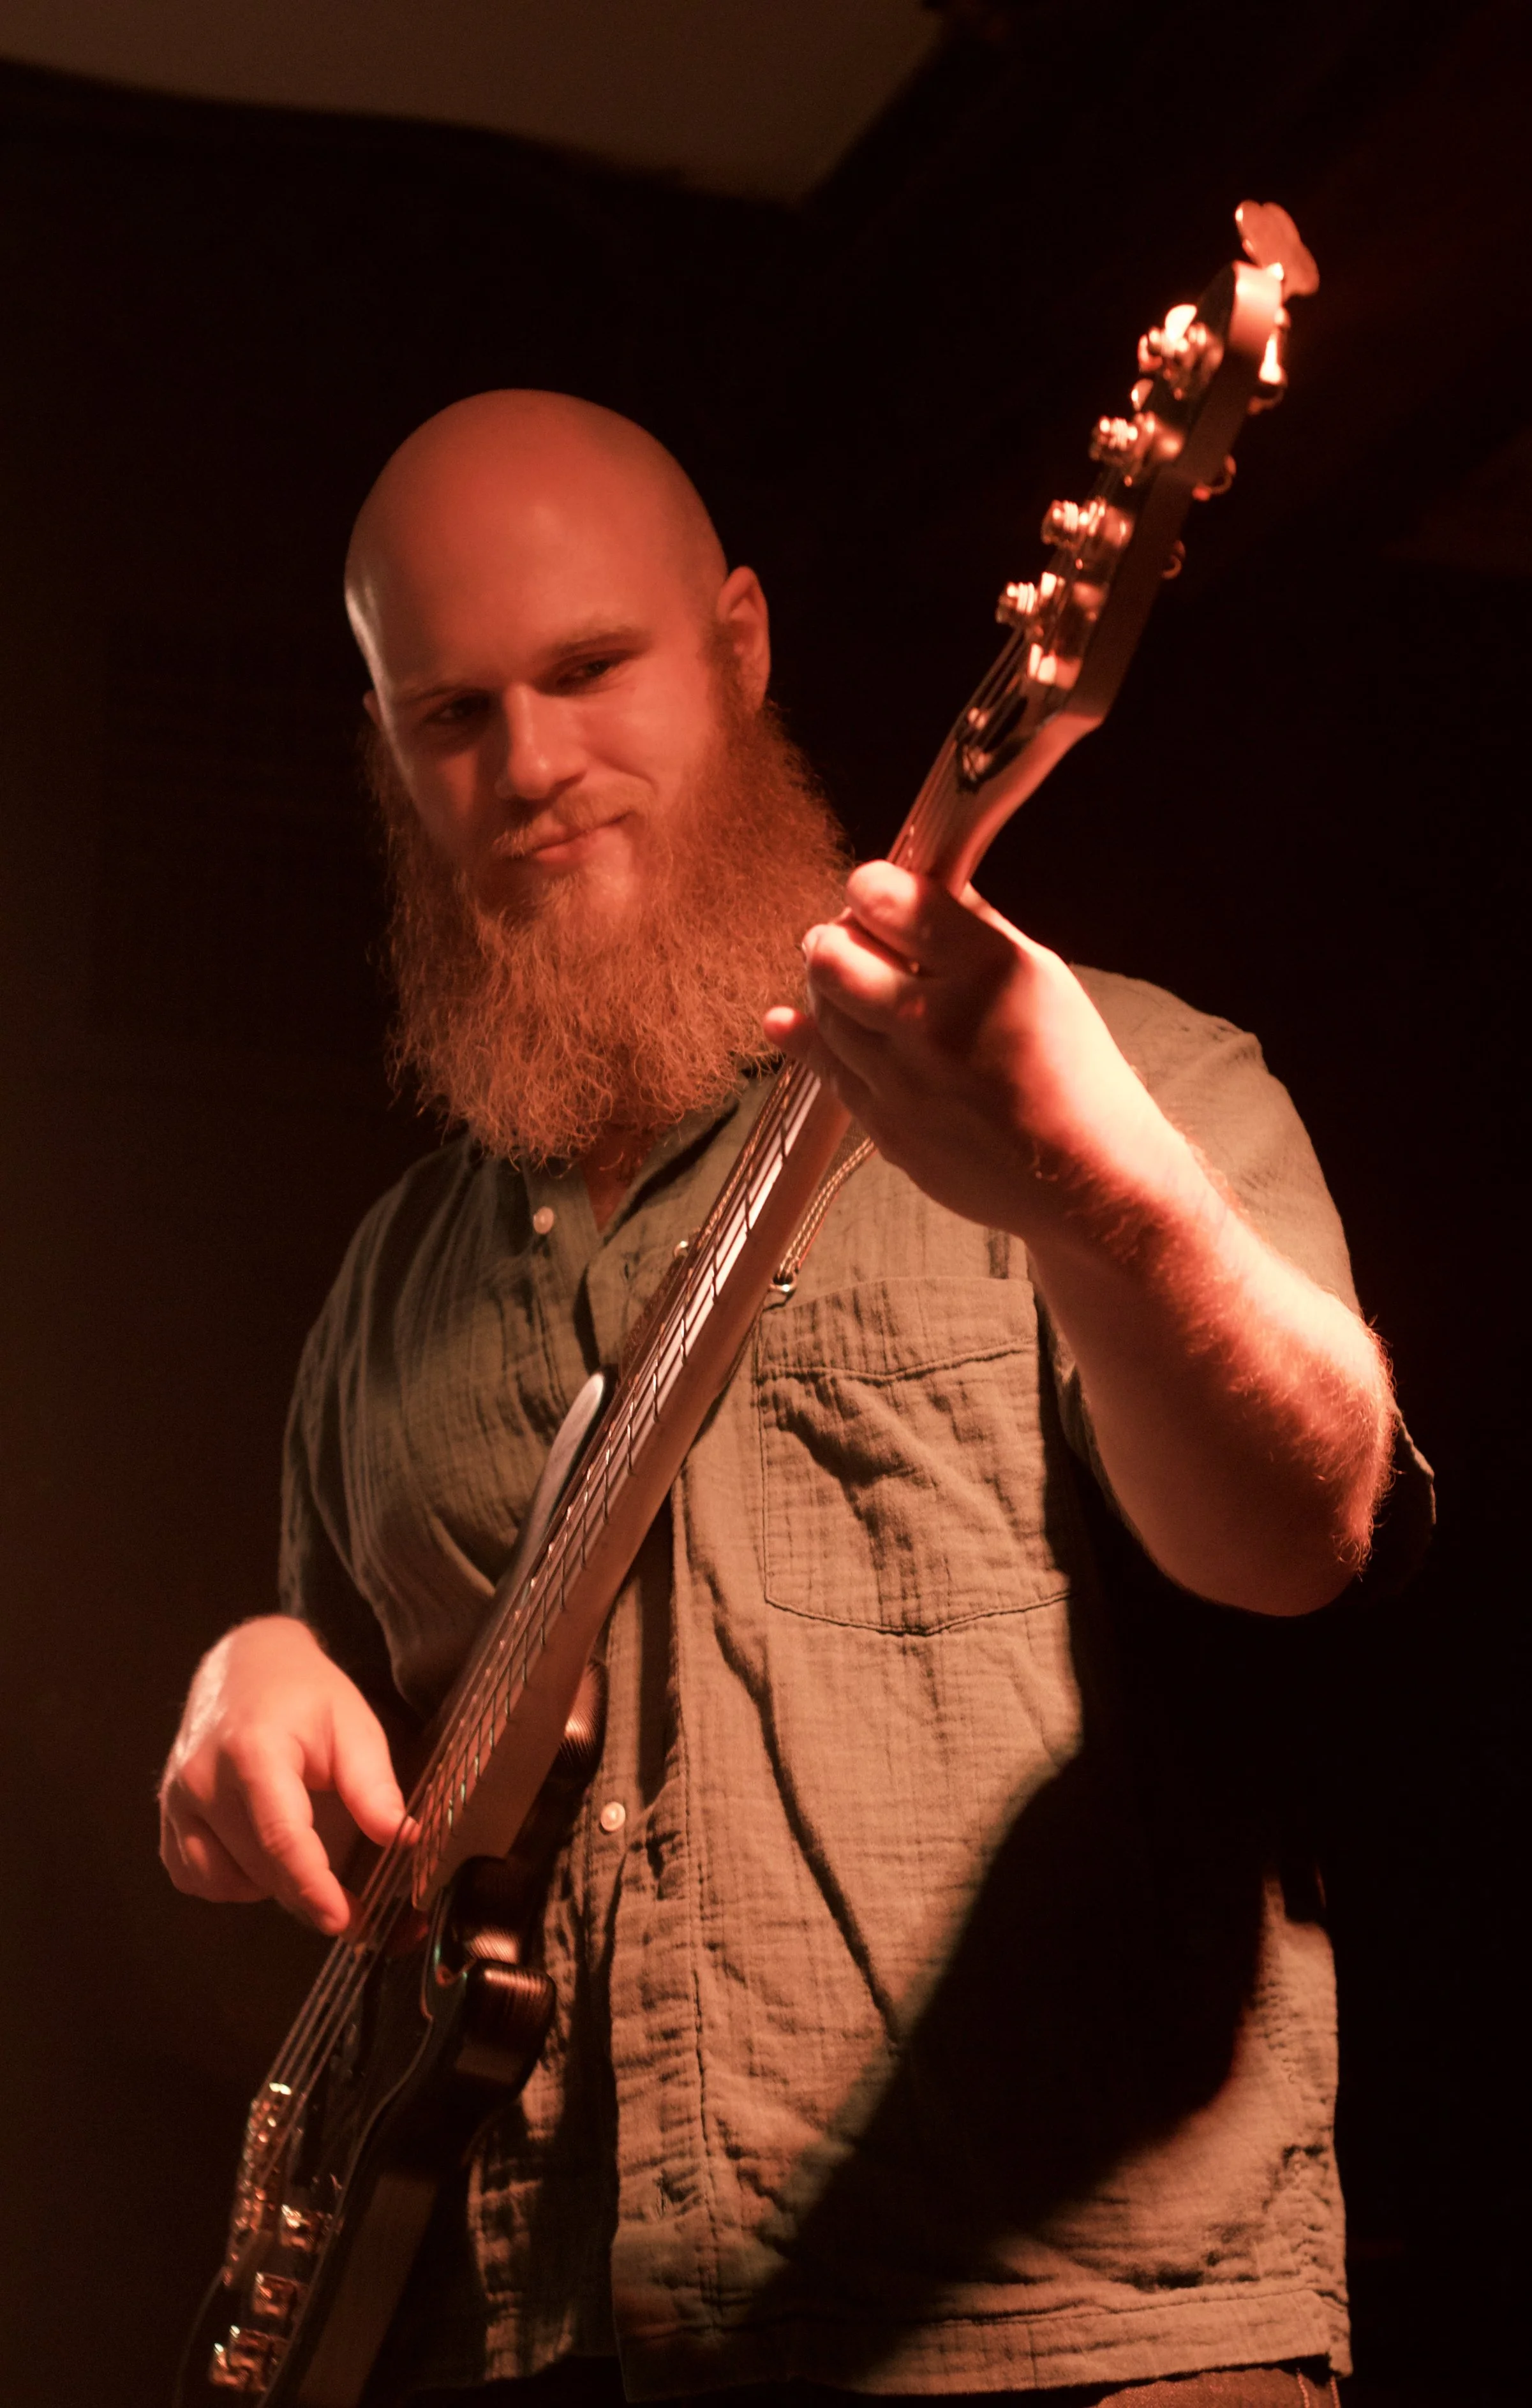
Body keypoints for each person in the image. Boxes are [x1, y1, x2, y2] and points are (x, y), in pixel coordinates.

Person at [158, 392, 1429, 2408]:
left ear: (738, 643)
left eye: (590, 670)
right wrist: (250, 1670)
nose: (533, 765)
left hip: (1059, 2348)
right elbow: (371, 1790)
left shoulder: (1115, 1072)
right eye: (450, 715)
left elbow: (1301, 1534)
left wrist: (1108, 1203)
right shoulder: (384, 1288)